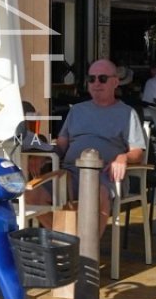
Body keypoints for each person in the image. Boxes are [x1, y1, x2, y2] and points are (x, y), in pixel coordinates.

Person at [49, 58, 147, 233]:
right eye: (91, 79)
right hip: (70, 172)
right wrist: (42, 156)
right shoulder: (76, 110)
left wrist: (123, 157)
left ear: (115, 82)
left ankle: (86, 254)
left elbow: (138, 152)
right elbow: (61, 145)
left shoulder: (126, 113)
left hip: (104, 175)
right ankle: (71, 241)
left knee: (97, 193)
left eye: (102, 78)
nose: (96, 83)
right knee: (32, 193)